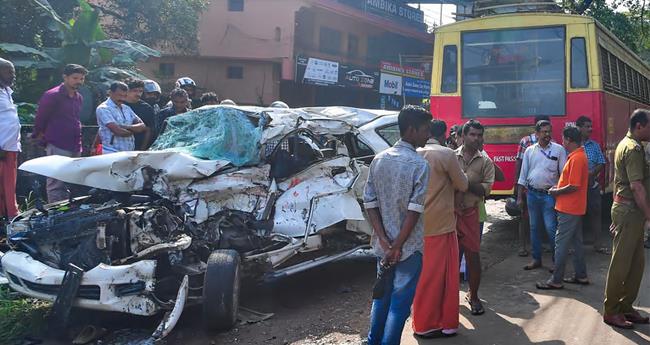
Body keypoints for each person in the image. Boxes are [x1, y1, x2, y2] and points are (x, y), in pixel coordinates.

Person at [363, 105, 431, 345]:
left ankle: (373, 341)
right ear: (411, 130)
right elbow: (414, 211)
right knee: (399, 305)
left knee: (381, 297)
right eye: (425, 130)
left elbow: (369, 201)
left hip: (384, 247)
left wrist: (384, 240)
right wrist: (397, 246)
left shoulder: (378, 160)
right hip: (409, 247)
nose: (428, 135)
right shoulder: (419, 165)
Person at [413, 119, 468, 338]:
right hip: (442, 224)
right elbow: (462, 184)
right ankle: (440, 323)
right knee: (444, 277)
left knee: (423, 276)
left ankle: (423, 320)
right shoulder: (446, 154)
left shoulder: (415, 153)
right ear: (445, 134)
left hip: (416, 224)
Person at [603, 109, 650, 329]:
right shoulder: (632, 149)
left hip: (630, 212)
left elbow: (617, 181)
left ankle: (625, 306)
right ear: (640, 125)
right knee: (621, 264)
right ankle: (611, 310)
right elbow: (636, 186)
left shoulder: (631, 145)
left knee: (636, 264)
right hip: (630, 211)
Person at [536, 126, 589, 290]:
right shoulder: (577, 156)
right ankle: (581, 275)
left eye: (564, 139)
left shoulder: (577, 158)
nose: (562, 142)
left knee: (561, 243)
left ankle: (556, 279)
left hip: (569, 208)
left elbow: (573, 185)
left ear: (569, 140)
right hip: (574, 207)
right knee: (577, 242)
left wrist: (555, 191)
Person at [454, 120, 495, 316]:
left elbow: (486, 190)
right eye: (473, 135)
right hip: (451, 214)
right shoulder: (451, 157)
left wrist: (463, 181)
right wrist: (469, 183)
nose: (477, 138)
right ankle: (449, 296)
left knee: (473, 257)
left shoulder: (486, 161)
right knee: (451, 258)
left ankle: (474, 296)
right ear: (463, 136)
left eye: (480, 135)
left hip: (472, 213)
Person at [32, 64, 88, 203]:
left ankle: (65, 213)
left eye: (81, 78)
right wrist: (37, 135)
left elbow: (75, 119)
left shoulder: (78, 97)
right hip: (58, 142)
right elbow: (41, 118)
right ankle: (55, 215)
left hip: (75, 144)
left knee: (70, 180)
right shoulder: (52, 95)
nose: (79, 81)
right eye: (75, 78)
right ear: (65, 77)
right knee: (56, 181)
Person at [517, 119, 567, 270]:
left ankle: (555, 261)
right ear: (536, 133)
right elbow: (523, 175)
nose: (547, 134)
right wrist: (519, 196)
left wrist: (559, 192)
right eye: (544, 132)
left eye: (549, 131)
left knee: (551, 228)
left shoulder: (559, 150)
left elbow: (564, 174)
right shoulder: (530, 151)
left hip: (549, 196)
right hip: (532, 194)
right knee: (534, 228)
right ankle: (536, 259)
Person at [515, 115, 551, 257]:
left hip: (544, 189)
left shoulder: (552, 144)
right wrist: (517, 184)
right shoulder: (526, 142)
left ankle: (539, 245)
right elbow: (519, 163)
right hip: (527, 187)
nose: (546, 133)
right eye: (543, 130)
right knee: (524, 217)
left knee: (541, 219)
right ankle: (523, 246)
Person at [575, 116, 608, 254]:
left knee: (595, 215)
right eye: (587, 126)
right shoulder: (572, 145)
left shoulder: (594, 145)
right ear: (579, 128)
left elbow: (601, 162)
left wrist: (592, 173)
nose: (590, 129)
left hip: (592, 187)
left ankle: (598, 244)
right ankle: (576, 246)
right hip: (576, 188)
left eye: (590, 126)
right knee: (575, 218)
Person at [96, 82, 146, 153]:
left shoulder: (127, 108)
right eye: (119, 95)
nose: (122, 98)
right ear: (110, 93)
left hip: (128, 152)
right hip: (111, 152)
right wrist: (134, 130)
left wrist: (124, 127)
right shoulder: (103, 108)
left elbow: (142, 126)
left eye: (124, 96)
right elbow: (118, 131)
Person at [0, 58, 20, 221]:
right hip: (1, 148)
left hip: (11, 147)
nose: (13, 75)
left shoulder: (7, 91)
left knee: (9, 187)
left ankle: (10, 219)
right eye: (8, 71)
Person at [124, 78, 154, 150]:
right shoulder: (118, 105)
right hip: (118, 145)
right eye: (134, 91)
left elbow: (149, 130)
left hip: (138, 146)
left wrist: (142, 149)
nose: (138, 94)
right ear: (127, 91)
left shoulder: (146, 108)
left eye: (140, 91)